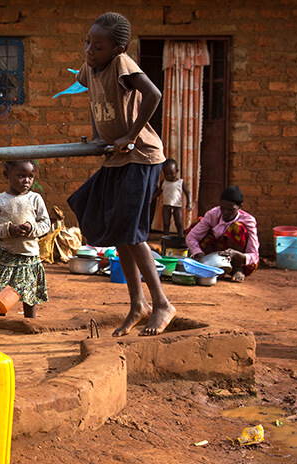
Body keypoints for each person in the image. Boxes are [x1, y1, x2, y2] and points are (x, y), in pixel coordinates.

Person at [66, 12, 175, 337]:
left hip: (140, 156)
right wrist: (98, 135)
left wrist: (130, 135)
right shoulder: (91, 68)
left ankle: (162, 303)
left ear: (117, 49)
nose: (90, 50)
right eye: (88, 42)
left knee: (132, 232)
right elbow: (92, 98)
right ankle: (138, 305)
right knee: (118, 233)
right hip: (117, 159)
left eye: (98, 46)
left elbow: (153, 94)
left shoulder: (122, 64)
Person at [0, 160, 50, 319]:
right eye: (21, 176)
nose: (27, 180)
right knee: (2, 288)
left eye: (31, 176)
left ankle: (30, 321)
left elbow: (45, 224)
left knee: (29, 290)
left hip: (28, 255)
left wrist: (31, 228)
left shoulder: (35, 199)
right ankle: (0, 316)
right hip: (5, 255)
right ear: (6, 175)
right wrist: (8, 229)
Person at [185, 185, 259, 283]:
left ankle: (237, 269)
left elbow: (254, 255)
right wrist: (198, 254)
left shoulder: (248, 220)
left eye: (230, 209)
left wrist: (236, 255)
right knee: (199, 222)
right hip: (213, 255)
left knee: (236, 228)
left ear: (240, 207)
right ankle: (212, 267)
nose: (225, 212)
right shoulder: (213, 214)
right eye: (223, 208)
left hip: (239, 262)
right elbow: (192, 237)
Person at [156, 159, 191, 235]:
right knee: (166, 224)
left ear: (177, 171)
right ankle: (165, 240)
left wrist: (189, 203)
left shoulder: (180, 182)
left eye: (172, 174)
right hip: (166, 206)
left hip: (177, 207)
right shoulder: (163, 182)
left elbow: (187, 193)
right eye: (166, 174)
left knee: (179, 224)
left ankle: (181, 240)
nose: (169, 176)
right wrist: (149, 199)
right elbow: (158, 193)